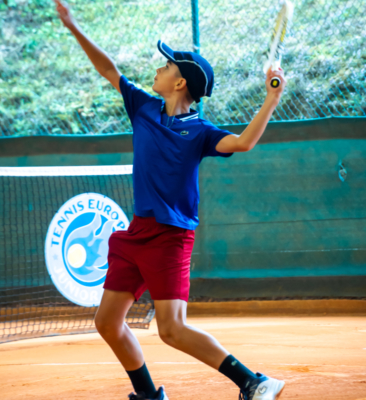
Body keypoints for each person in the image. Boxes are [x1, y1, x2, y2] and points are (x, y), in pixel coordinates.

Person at [54, 1, 287, 399]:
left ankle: (253, 383)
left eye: (166, 67)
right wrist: (74, 26)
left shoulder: (200, 132)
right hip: (136, 233)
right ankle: (149, 395)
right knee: (107, 322)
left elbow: (243, 142)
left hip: (170, 237)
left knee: (172, 329)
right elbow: (109, 69)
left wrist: (271, 100)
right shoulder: (143, 108)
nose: (158, 70)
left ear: (180, 83)